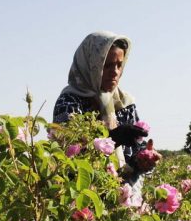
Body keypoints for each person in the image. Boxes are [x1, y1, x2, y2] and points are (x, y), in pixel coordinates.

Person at [53, 31, 157, 182]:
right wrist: (113, 138)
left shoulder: (124, 103)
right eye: (107, 65)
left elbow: (136, 153)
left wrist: (144, 159)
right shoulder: (69, 102)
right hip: (82, 194)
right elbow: (68, 156)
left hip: (122, 196)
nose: (115, 72)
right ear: (91, 65)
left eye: (119, 65)